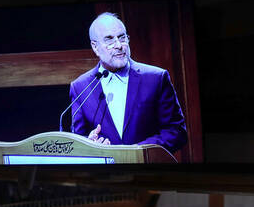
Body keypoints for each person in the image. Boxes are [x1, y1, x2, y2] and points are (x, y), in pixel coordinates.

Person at [69, 12, 187, 153]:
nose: (119, 45)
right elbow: (77, 141)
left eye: (122, 37)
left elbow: (176, 131)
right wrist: (90, 146)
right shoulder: (80, 87)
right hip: (105, 173)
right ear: (95, 47)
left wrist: (136, 151)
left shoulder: (156, 78)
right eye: (109, 40)